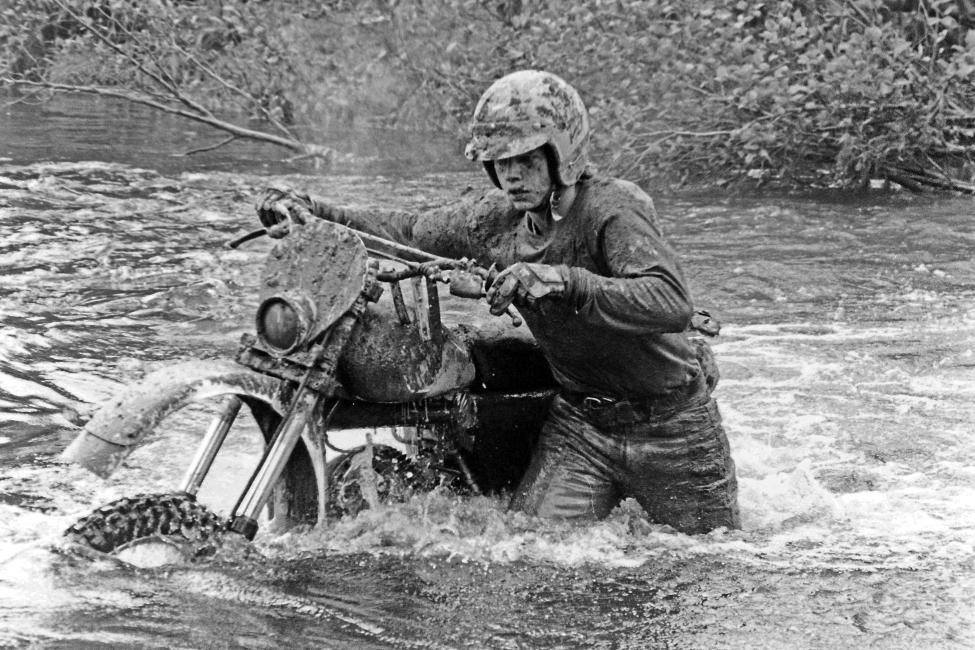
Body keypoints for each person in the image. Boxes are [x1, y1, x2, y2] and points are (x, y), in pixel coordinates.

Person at [256, 69, 740, 534]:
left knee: (709, 565)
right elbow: (407, 229)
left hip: (673, 428)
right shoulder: (493, 219)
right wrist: (314, 212)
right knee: (529, 555)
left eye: (526, 160)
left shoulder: (613, 208)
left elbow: (670, 300)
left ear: (562, 153)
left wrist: (563, 280)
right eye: (500, 163)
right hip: (580, 427)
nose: (513, 176)